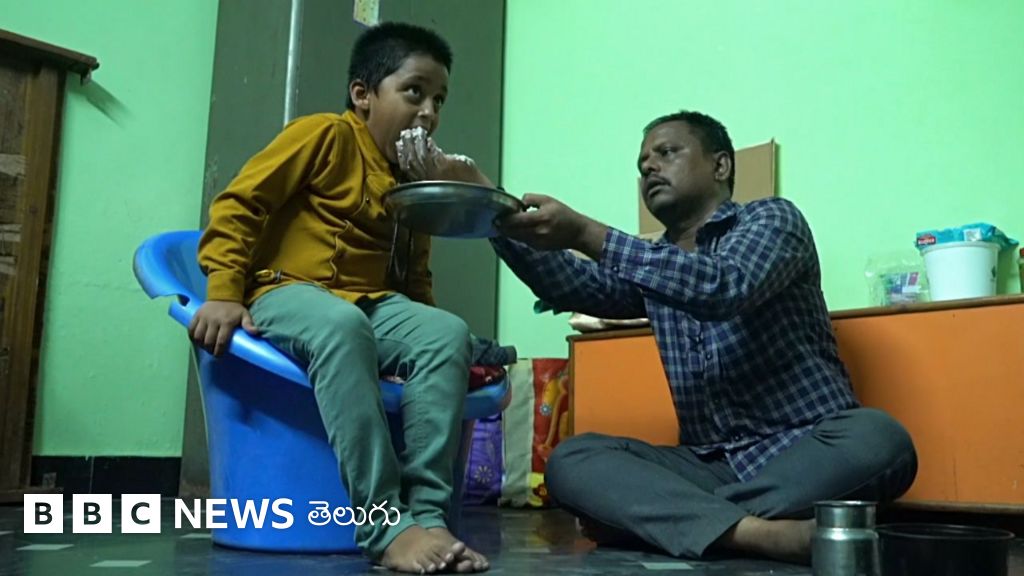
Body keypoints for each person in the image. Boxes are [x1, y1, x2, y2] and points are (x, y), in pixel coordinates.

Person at [491, 110, 918, 564]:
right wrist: (489, 211)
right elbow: (573, 285)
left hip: (809, 450)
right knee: (571, 460)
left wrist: (585, 233)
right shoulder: (653, 265)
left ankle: (673, 521)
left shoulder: (773, 220)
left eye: (666, 152)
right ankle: (758, 534)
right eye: (642, 165)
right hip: (710, 465)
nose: (649, 167)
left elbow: (724, 286)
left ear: (721, 165)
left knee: (881, 440)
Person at [189, 22, 491, 574]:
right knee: (341, 324)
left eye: (439, 100)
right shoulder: (323, 135)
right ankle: (384, 525)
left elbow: (414, 277)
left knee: (448, 333)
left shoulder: (410, 182)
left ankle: (428, 516)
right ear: (362, 94)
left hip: (369, 304)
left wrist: (418, 345)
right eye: (414, 92)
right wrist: (224, 291)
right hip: (286, 291)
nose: (428, 113)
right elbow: (239, 205)